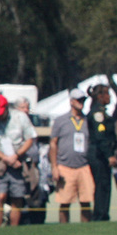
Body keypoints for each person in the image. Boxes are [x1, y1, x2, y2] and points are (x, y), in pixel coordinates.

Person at [0, 94, 35, 227]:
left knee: (17, 198)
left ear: (7, 108)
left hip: (17, 162)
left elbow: (30, 139)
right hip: (0, 163)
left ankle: (14, 228)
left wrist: (16, 155)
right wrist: (5, 158)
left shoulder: (20, 117)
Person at [50, 89, 94, 223]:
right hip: (65, 166)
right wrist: (54, 167)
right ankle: (64, 229)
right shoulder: (60, 120)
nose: (81, 103)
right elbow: (53, 144)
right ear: (71, 102)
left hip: (84, 166)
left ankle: (85, 229)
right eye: (78, 100)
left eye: (83, 100)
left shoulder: (88, 121)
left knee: (86, 201)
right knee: (65, 202)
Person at [86, 81, 117, 221]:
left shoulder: (102, 112)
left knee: (105, 184)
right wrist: (109, 155)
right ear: (100, 96)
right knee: (102, 184)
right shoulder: (97, 114)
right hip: (98, 154)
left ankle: (103, 213)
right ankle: (100, 215)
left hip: (102, 153)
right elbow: (101, 137)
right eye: (107, 94)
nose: (110, 98)